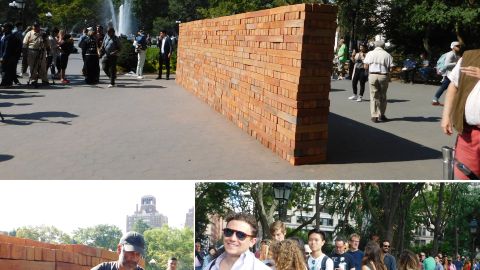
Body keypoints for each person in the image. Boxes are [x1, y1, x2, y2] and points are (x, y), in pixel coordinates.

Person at [440, 48, 480, 179]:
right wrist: (446, 116)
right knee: (464, 177)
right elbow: (454, 86)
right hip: (468, 135)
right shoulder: (470, 56)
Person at [205, 212, 270, 270]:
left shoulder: (260, 268)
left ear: (252, 242)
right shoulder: (210, 266)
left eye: (241, 235)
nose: (232, 238)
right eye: (228, 232)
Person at [363, 40, 393, 123]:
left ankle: (374, 115)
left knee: (373, 96)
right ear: (383, 46)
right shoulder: (387, 55)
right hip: (383, 75)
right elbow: (391, 68)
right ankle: (381, 114)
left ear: (375, 46)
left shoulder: (370, 53)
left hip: (372, 75)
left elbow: (365, 66)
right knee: (383, 96)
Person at [432, 41, 461, 105]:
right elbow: (446, 64)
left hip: (452, 74)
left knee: (444, 87)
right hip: (450, 74)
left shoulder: (456, 54)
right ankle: (436, 100)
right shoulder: (451, 54)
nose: (459, 47)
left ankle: (435, 99)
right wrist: (456, 63)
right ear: (453, 47)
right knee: (454, 87)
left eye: (459, 46)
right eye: (457, 46)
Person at [23, 22, 50, 87]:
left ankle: (44, 80)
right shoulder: (29, 33)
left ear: (39, 27)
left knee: (42, 66)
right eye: (35, 26)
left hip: (42, 52)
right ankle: (33, 80)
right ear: (33, 27)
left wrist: (45, 39)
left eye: (37, 26)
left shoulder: (43, 34)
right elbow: (25, 43)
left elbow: (47, 45)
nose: (36, 27)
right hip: (31, 51)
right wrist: (24, 53)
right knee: (32, 66)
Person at [0, 22, 22, 87]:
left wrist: (3, 57)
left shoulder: (9, 37)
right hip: (10, 57)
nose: (3, 28)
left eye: (4, 27)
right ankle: (8, 83)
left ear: (8, 28)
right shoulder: (6, 35)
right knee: (8, 70)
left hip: (8, 57)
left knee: (5, 70)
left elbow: (7, 49)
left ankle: (5, 83)